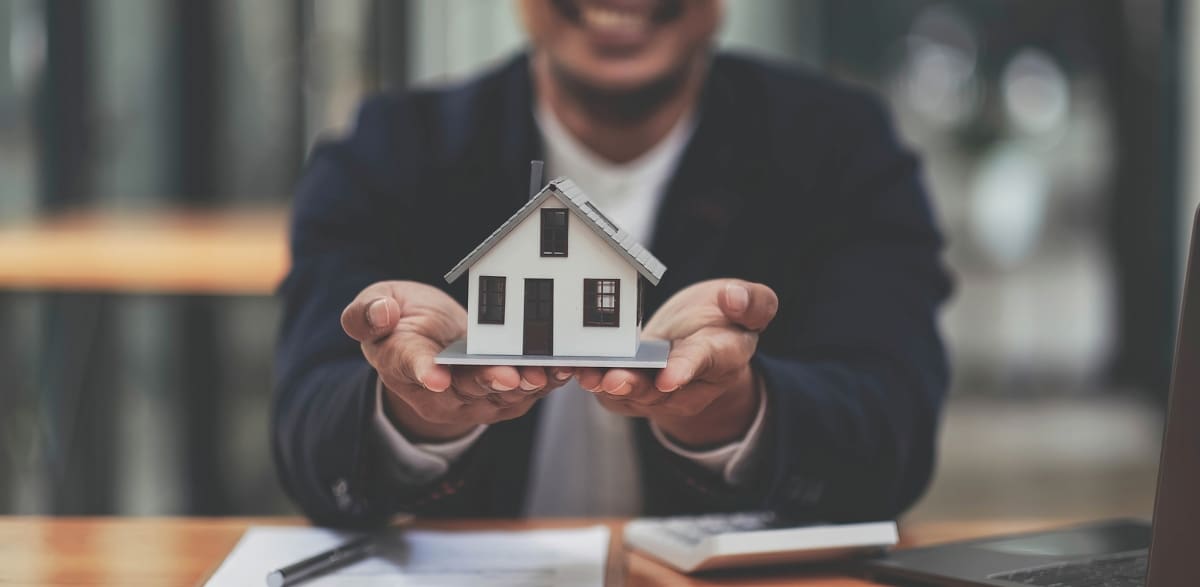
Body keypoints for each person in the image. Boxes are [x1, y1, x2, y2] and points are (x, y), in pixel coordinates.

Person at [273, 0, 951, 528]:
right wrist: (414, 410)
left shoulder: (840, 149)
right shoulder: (386, 151)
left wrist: (734, 414)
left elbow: (895, 430)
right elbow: (306, 431)